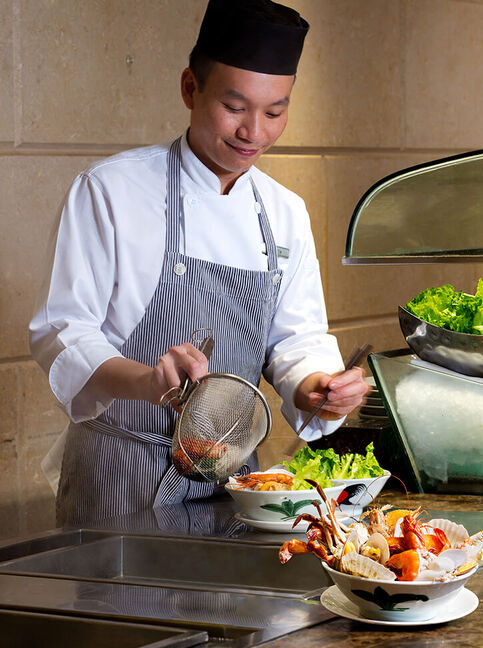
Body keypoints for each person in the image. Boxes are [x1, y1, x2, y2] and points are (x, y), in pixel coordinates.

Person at [29, 0, 368, 524]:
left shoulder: (284, 212)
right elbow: (64, 330)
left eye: (274, 112)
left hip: (233, 485)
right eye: (234, 107)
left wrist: (317, 387)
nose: (254, 132)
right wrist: (147, 381)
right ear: (190, 88)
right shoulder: (111, 190)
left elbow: (295, 341)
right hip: (119, 475)